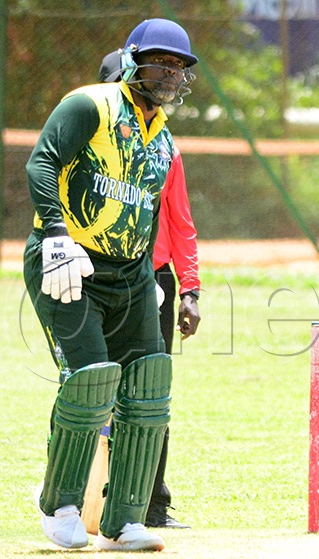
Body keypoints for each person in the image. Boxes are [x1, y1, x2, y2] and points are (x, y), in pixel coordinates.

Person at [24, 18, 198, 551]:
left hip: (131, 273)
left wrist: (153, 277)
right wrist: (55, 234)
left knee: (149, 382)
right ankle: (61, 506)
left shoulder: (162, 137)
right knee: (91, 379)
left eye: (178, 68)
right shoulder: (89, 105)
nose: (168, 75)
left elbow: (147, 214)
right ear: (132, 60)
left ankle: (124, 520)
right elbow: (42, 163)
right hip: (69, 260)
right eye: (159, 63)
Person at [99, 50, 201, 530]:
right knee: (91, 388)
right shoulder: (93, 139)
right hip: (97, 271)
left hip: (153, 276)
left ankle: (152, 504)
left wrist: (189, 291)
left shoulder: (165, 149)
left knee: (148, 394)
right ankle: (83, 499)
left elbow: (181, 224)